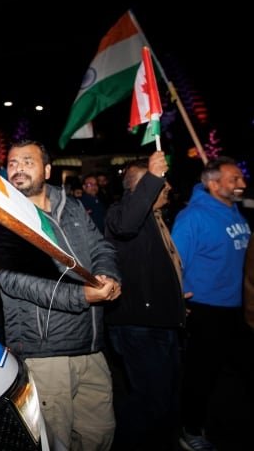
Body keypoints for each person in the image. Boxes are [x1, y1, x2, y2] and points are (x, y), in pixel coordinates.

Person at [0, 139, 121, 450]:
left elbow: (101, 247)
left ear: (46, 169)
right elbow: (16, 281)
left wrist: (109, 275)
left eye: (27, 162)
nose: (18, 169)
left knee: (99, 434)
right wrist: (81, 296)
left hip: (92, 347)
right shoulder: (2, 219)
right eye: (12, 164)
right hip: (46, 353)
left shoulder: (70, 206)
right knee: (54, 440)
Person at [104, 152, 186, 450]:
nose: (167, 188)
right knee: (149, 400)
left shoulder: (157, 219)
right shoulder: (118, 215)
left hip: (161, 322)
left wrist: (174, 294)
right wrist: (152, 176)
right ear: (141, 188)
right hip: (137, 326)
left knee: (165, 397)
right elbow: (128, 224)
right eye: (159, 184)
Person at [171, 156, 251, 450]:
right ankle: (190, 430)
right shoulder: (194, 218)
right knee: (200, 375)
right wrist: (179, 299)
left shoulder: (234, 211)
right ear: (214, 184)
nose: (242, 184)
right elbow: (174, 262)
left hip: (237, 308)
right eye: (234, 180)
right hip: (205, 310)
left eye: (241, 178)